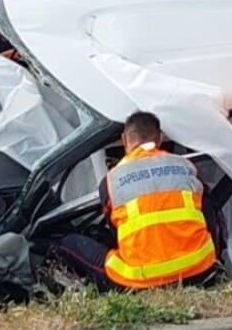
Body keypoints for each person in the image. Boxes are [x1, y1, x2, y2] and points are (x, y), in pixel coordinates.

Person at [91, 111, 219, 291]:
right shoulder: (186, 167)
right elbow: (208, 213)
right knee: (204, 201)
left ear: (125, 140)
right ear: (159, 139)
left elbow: (114, 230)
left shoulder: (112, 180)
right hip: (199, 269)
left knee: (71, 243)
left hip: (140, 280)